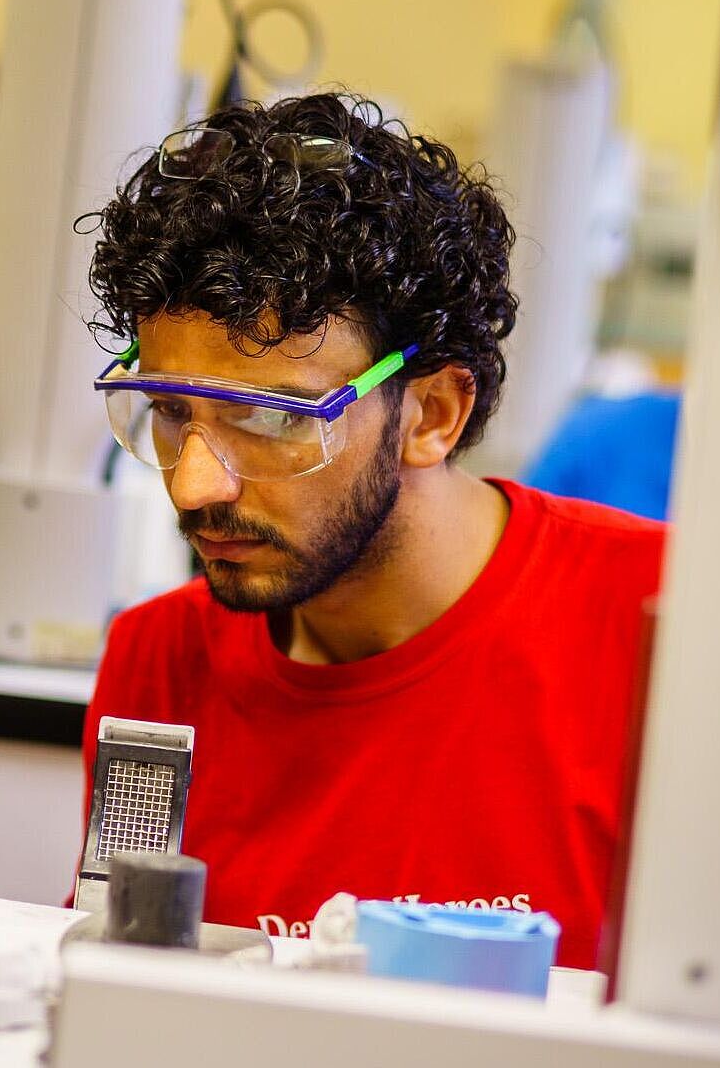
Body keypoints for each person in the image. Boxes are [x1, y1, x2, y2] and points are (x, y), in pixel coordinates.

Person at [75, 93, 665, 969]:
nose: (194, 484)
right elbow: (116, 995)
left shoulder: (666, 631)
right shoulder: (158, 662)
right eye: (166, 410)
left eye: (273, 421)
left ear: (431, 413)